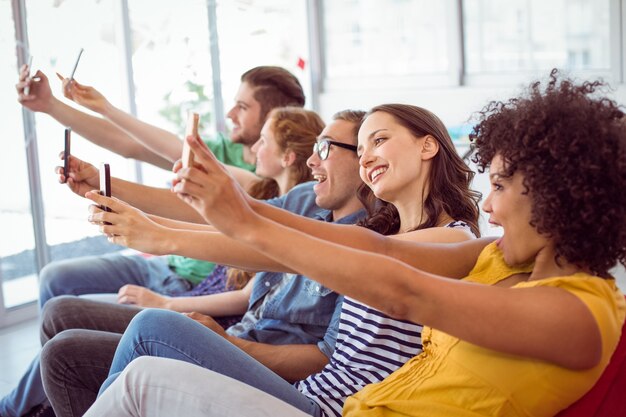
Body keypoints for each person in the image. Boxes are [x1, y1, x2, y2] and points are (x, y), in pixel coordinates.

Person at [86, 70, 625, 417]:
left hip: (336, 411)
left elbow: (407, 292)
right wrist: (236, 215)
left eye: (502, 186)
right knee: (139, 365)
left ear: (561, 193)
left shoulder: (578, 314)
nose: (490, 205)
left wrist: (245, 221)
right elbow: (378, 253)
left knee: (142, 373)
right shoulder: (492, 258)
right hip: (343, 407)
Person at [81, 103, 481, 417]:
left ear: (427, 145)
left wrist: (165, 236)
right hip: (310, 395)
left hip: (328, 409)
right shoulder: (386, 233)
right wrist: (219, 211)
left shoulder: (452, 238)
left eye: (378, 141)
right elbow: (288, 229)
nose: (366, 159)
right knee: (129, 348)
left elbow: (301, 244)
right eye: (360, 150)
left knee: (153, 329)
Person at [29, 110, 367, 417]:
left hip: (262, 362)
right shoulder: (306, 198)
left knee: (145, 326)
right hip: (237, 331)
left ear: (364, 157)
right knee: (62, 352)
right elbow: (233, 221)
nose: (311, 160)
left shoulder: (370, 243)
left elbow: (325, 357)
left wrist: (218, 335)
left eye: (325, 148)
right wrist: (110, 190)